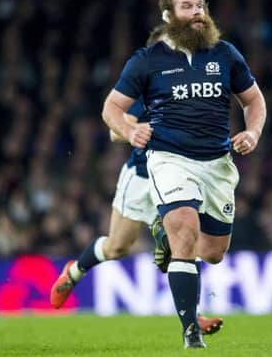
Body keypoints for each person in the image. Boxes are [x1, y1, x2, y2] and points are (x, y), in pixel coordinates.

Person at [101, 0, 267, 349]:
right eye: (188, 7)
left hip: (217, 163)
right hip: (169, 158)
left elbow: (254, 101)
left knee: (213, 252)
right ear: (169, 15)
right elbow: (111, 108)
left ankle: (166, 233)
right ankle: (190, 330)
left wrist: (253, 132)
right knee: (184, 232)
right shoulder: (147, 61)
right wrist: (130, 133)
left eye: (201, 6)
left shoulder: (225, 54)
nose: (197, 13)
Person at [49, 35, 224, 337]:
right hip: (142, 177)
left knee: (187, 237)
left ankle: (193, 317)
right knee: (117, 246)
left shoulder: (193, 88)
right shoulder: (146, 89)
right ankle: (74, 271)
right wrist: (133, 130)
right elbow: (116, 130)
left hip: (181, 176)